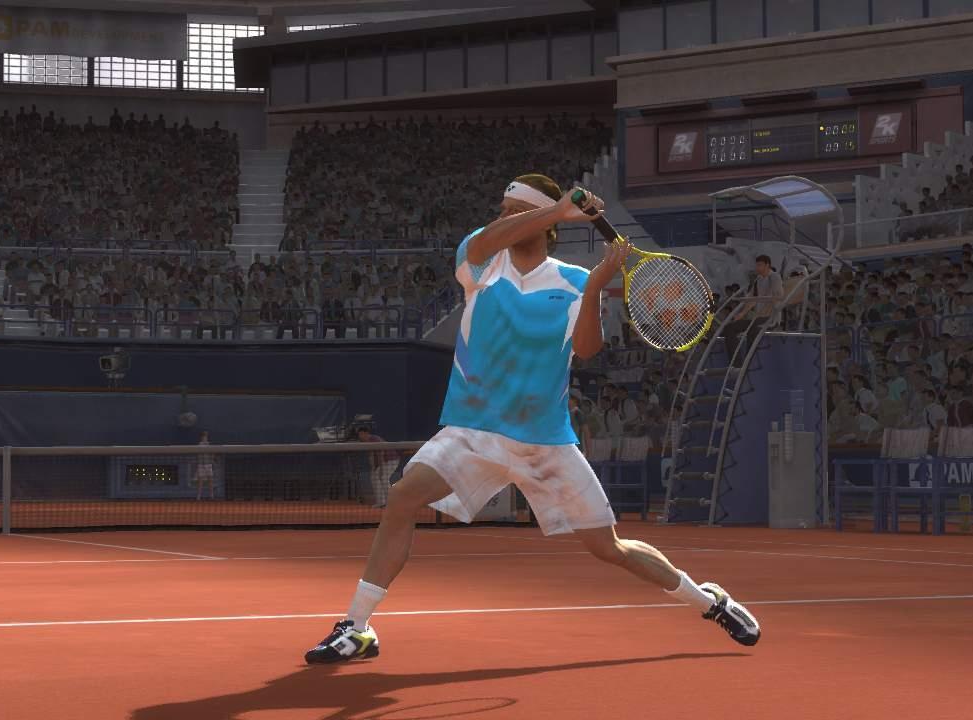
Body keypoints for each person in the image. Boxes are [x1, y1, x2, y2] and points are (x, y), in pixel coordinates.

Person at [303, 174, 760, 666]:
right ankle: (357, 628)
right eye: (503, 209)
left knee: (610, 548)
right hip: (473, 430)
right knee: (402, 497)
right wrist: (558, 209)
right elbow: (489, 238)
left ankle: (709, 601)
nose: (504, 218)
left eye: (516, 210)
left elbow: (587, 349)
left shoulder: (574, 282)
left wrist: (595, 289)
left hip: (544, 442)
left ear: (543, 225)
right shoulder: (480, 261)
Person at [723, 255, 783, 358]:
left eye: (760, 265)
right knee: (729, 328)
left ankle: (749, 361)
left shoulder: (774, 277)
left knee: (753, 328)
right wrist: (742, 314)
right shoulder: (758, 279)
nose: (757, 268)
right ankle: (737, 362)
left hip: (770, 318)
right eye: (757, 265)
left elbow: (777, 297)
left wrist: (768, 306)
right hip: (758, 318)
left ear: (767, 265)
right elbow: (752, 299)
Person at [356, 426, 398, 509]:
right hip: (384, 462)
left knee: (384, 478)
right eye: (359, 434)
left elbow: (380, 454)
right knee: (374, 477)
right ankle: (381, 502)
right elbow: (371, 456)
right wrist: (373, 468)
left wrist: (381, 469)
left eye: (361, 434)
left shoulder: (374, 439)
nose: (360, 436)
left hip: (392, 460)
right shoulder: (366, 443)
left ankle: (391, 502)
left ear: (366, 433)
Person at [194, 431, 216, 500]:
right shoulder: (199, 446)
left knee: (210, 480)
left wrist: (212, 461)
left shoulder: (209, 445)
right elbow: (197, 455)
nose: (205, 438)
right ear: (201, 438)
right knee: (200, 481)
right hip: (201, 465)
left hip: (208, 465)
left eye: (205, 437)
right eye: (203, 437)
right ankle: (198, 496)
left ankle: (212, 495)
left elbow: (212, 454)